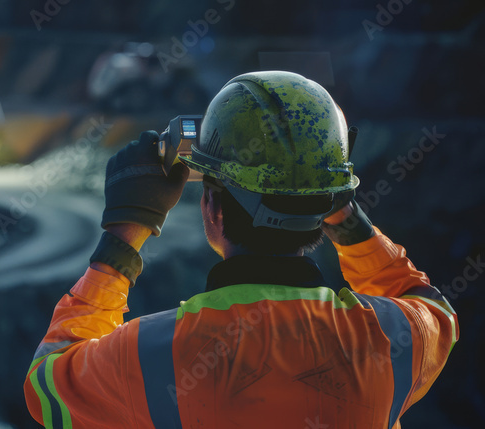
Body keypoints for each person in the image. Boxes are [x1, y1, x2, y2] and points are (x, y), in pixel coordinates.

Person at [24, 71, 458, 428]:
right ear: (329, 200)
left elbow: (47, 386)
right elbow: (431, 307)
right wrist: (346, 219)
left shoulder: (151, 353)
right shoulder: (392, 339)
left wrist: (124, 235)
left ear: (212, 207)